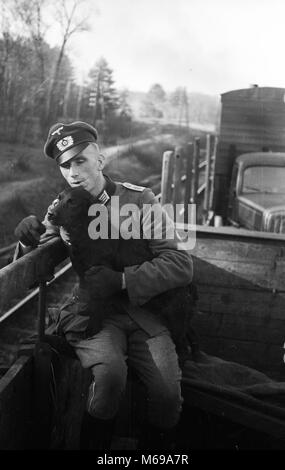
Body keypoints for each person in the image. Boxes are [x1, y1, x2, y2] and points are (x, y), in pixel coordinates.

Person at [14, 121, 193, 450]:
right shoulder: (64, 207)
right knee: (110, 379)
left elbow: (180, 264)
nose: (73, 172)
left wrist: (124, 279)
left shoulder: (139, 201)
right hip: (94, 316)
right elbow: (37, 259)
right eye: (65, 165)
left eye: (81, 160)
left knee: (168, 395)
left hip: (145, 314)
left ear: (101, 160)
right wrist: (27, 239)